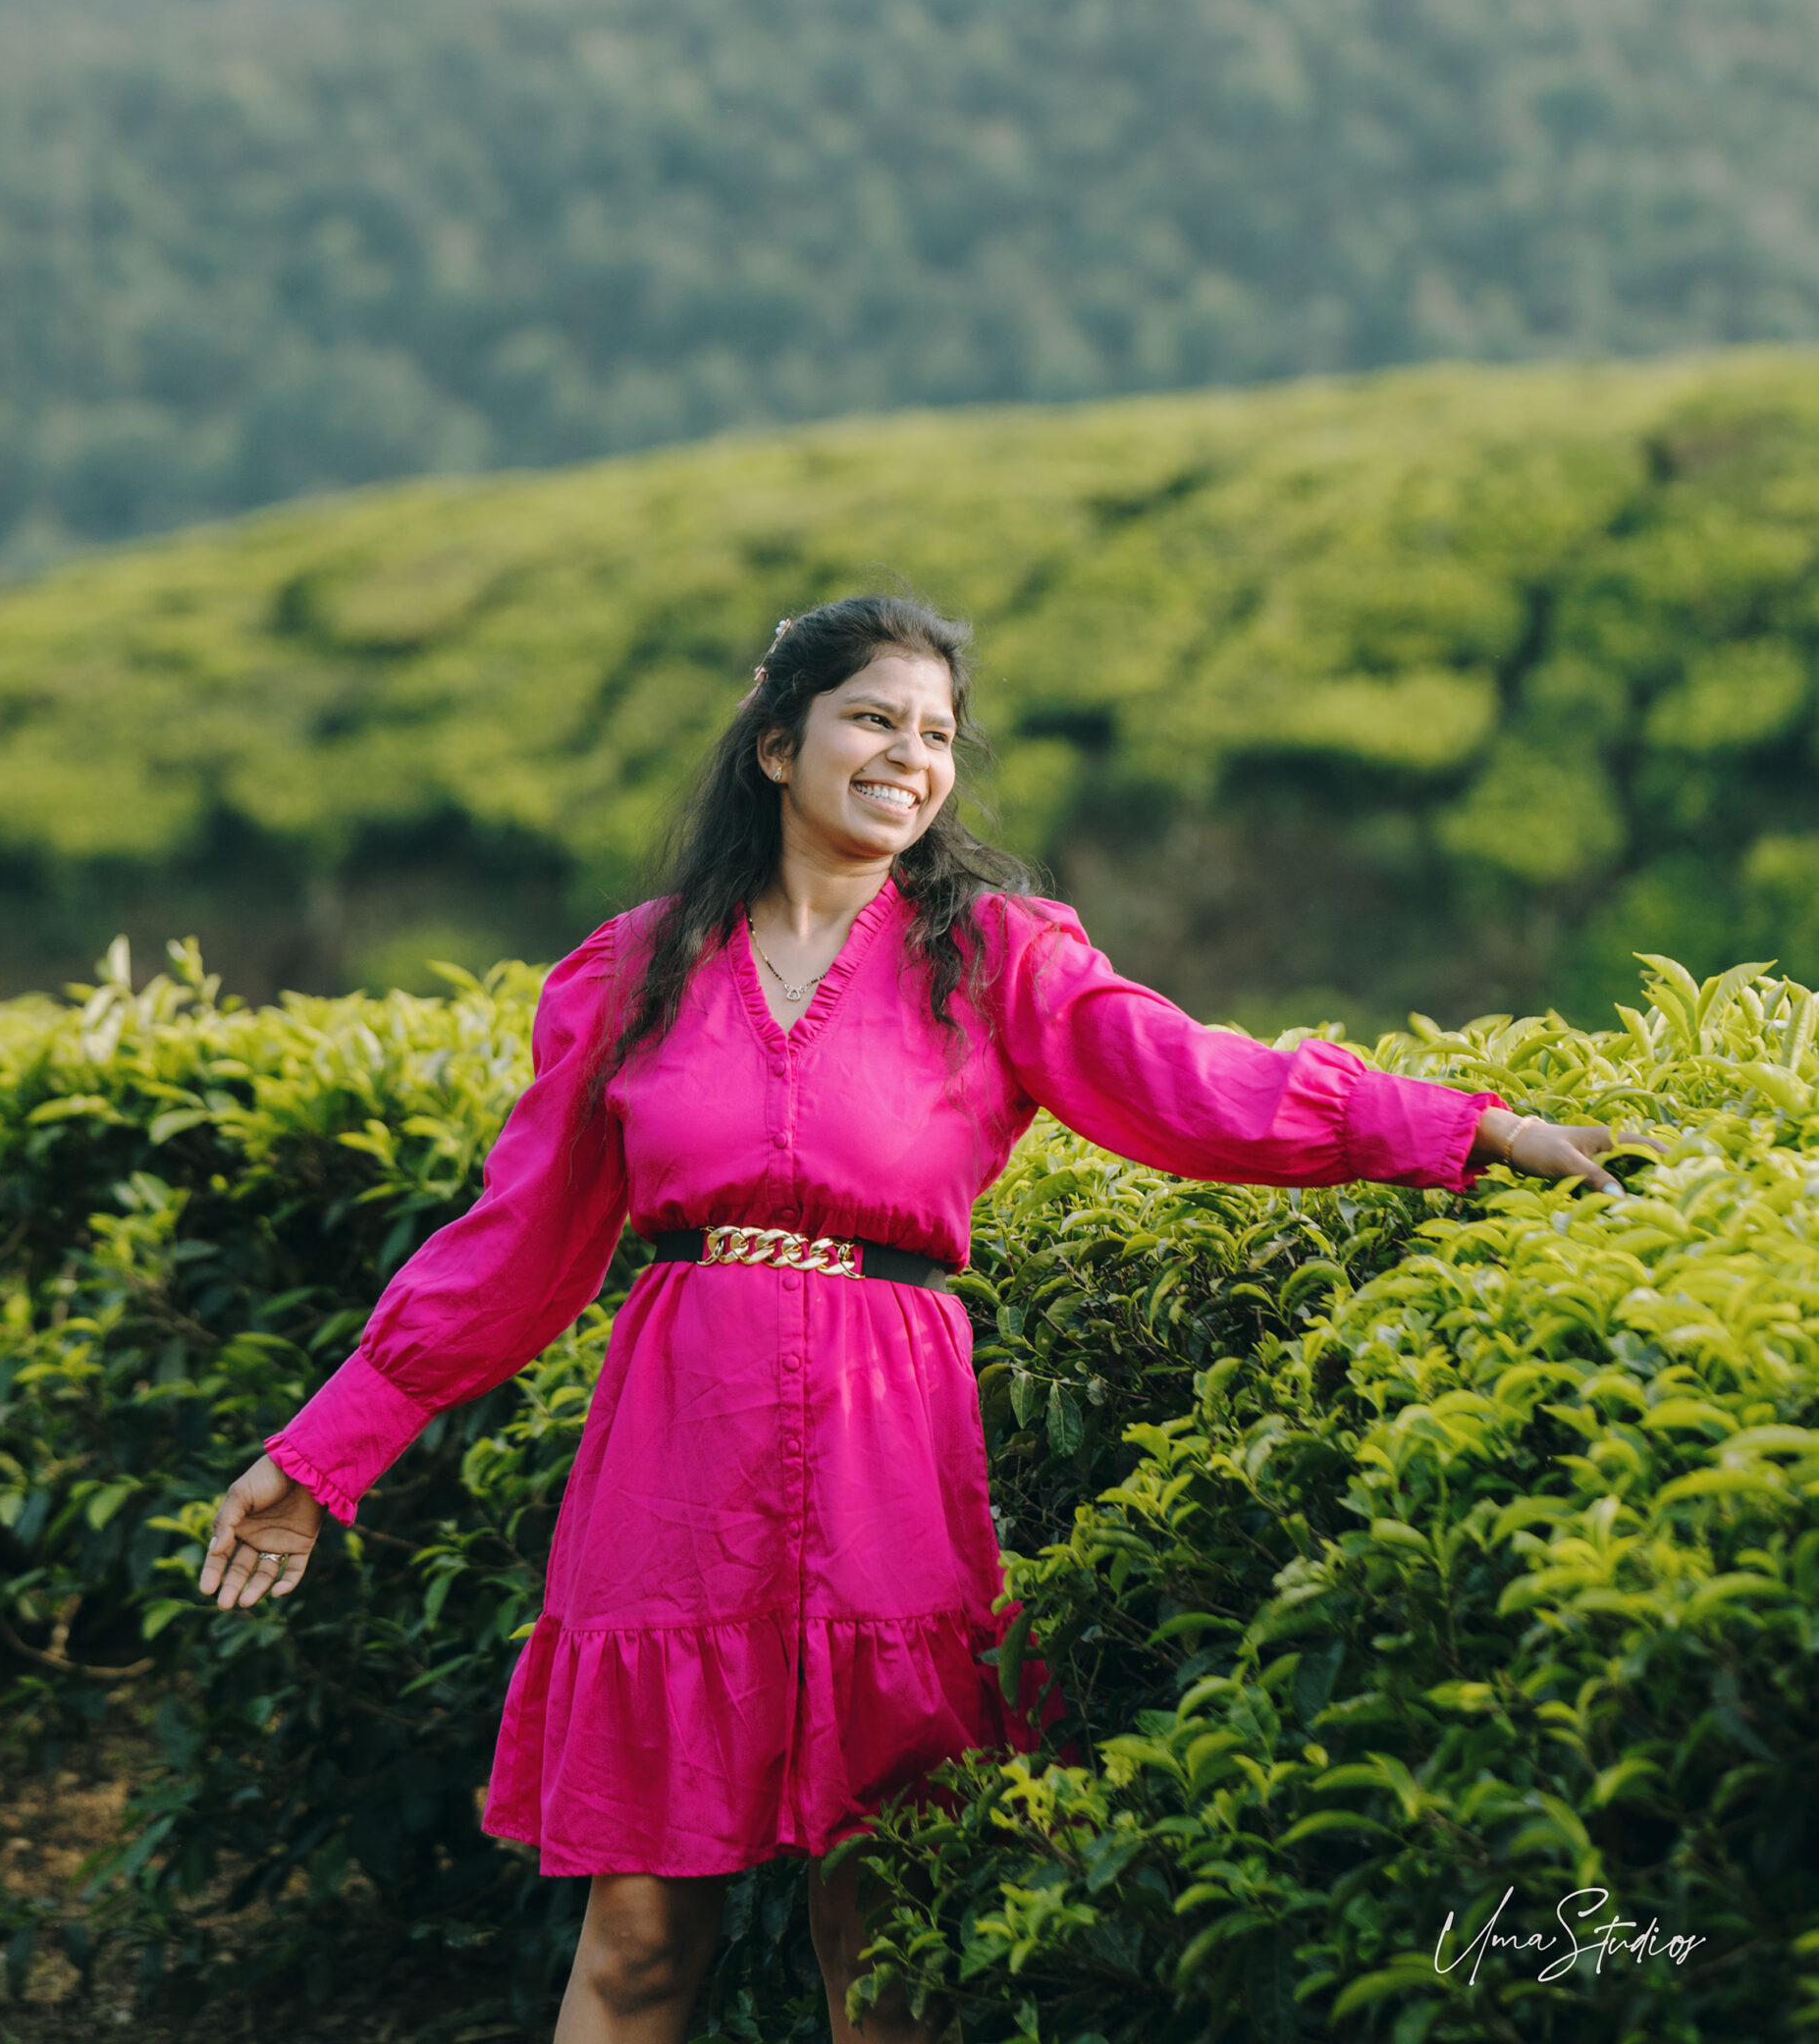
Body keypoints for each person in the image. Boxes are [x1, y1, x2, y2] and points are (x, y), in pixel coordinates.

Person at [197, 596, 1624, 2043]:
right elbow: (514, 1245)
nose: (910, 754)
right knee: (637, 1940)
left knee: (892, 1934)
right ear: (775, 744)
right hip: (677, 1469)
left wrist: (1473, 1129)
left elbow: (1198, 1084)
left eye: (936, 733)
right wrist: (323, 1454)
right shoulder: (631, 971)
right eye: (874, 717)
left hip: (894, 1462)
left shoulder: (997, 956)